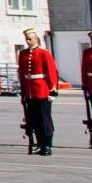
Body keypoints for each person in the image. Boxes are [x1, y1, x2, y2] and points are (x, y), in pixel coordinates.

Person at [17, 27, 58, 156]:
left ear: (36, 39)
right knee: (34, 120)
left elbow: (51, 72)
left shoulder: (44, 53)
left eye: (30, 39)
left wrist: (53, 90)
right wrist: (23, 91)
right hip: (30, 92)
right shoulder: (23, 54)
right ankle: (39, 144)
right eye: (26, 39)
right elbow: (22, 74)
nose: (28, 41)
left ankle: (47, 144)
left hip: (42, 90)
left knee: (44, 119)